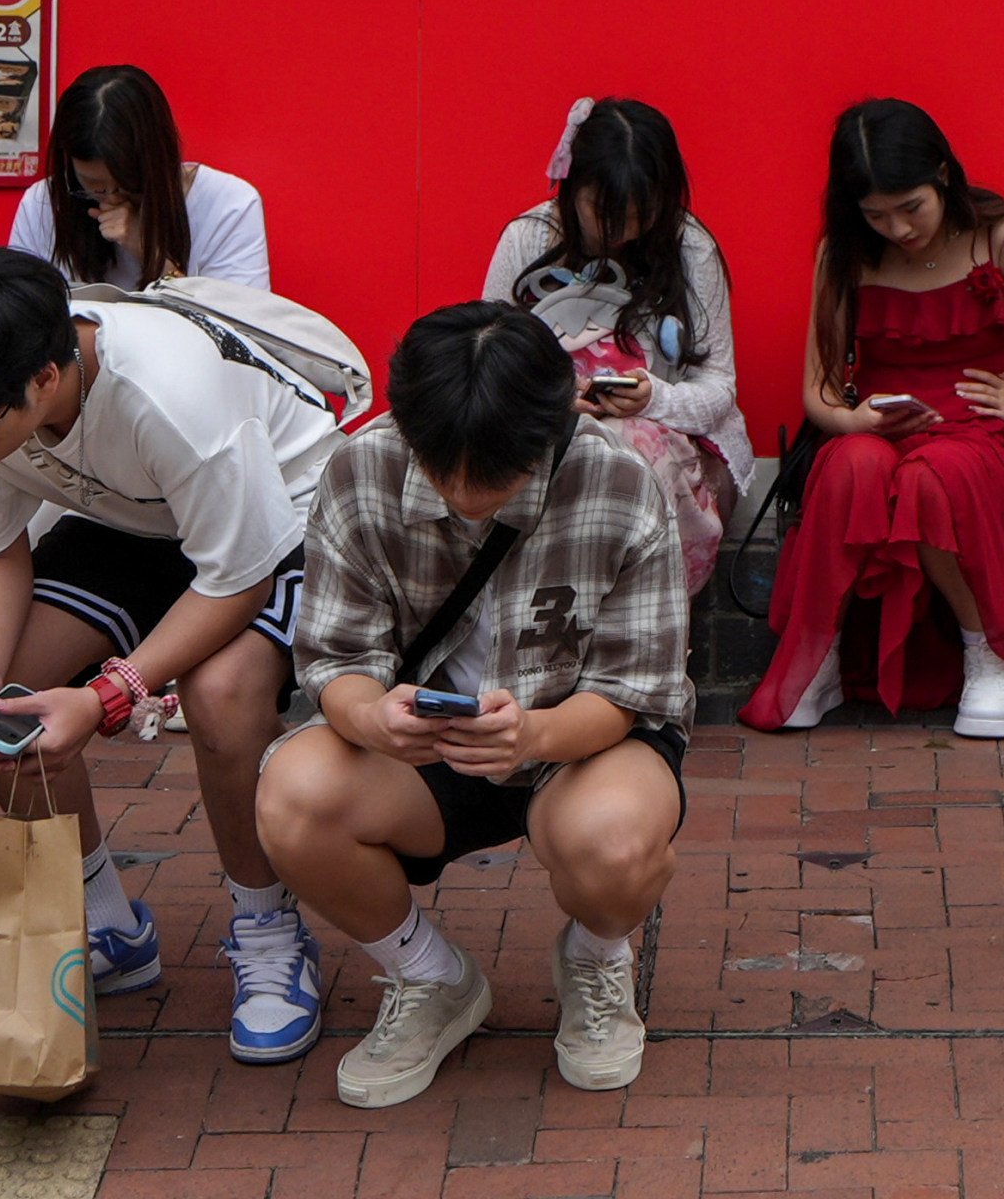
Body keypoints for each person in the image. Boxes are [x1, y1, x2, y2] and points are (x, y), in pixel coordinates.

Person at [0, 243, 344, 1064]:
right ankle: (106, 923)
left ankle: (267, 930)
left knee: (221, 695)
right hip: (132, 515)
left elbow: (233, 576)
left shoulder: (168, 394)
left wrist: (110, 694)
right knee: (2, 720)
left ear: (44, 382)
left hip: (281, 510)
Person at [261, 303, 694, 1107]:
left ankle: (598, 958)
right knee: (293, 793)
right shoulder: (363, 468)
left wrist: (533, 734)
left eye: (493, 473)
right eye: (437, 465)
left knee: (614, 843)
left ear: (548, 431)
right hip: (419, 752)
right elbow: (334, 659)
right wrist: (369, 718)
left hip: (581, 743)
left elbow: (637, 691)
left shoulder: (622, 482)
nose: (461, 493)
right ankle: (430, 980)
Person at [740, 100, 1004, 740]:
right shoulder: (844, 253)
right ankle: (817, 658)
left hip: (977, 437)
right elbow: (819, 393)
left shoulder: (1002, 234)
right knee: (850, 466)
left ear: (941, 174)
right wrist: (853, 423)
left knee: (936, 476)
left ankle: (988, 655)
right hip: (879, 431)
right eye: (875, 215)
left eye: (911, 207)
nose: (898, 229)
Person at [482, 97, 754, 587]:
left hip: (665, 443)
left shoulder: (691, 249)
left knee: (622, 447)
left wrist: (656, 397)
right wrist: (557, 399)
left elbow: (719, 386)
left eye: (642, 214)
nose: (623, 231)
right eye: (605, 213)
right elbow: (490, 359)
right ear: (572, 187)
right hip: (551, 427)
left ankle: (645, 615)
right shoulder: (528, 239)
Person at [6, 62, 272, 294]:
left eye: (127, 184)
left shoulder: (228, 203)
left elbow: (242, 332)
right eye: (93, 186)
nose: (110, 199)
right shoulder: (44, 203)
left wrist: (149, 252)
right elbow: (18, 315)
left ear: (158, 160)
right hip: (74, 353)